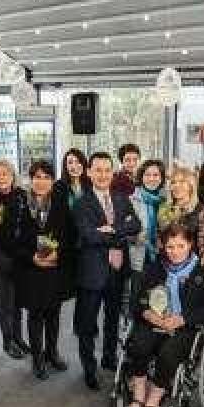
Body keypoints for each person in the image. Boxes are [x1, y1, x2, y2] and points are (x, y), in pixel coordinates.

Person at [121, 223, 204, 407]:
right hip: (155, 321)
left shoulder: (203, 271)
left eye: (180, 246)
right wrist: (148, 313)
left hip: (184, 327)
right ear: (163, 247)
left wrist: (182, 319)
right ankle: (139, 395)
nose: (175, 252)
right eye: (170, 247)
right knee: (138, 346)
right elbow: (138, 300)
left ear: (190, 245)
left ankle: (153, 400)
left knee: (168, 354)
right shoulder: (155, 267)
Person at [73, 151, 141, 390]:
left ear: (112, 172)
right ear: (89, 172)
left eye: (107, 170)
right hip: (92, 273)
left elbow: (136, 225)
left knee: (112, 319)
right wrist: (119, 231)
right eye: (98, 170)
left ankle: (109, 358)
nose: (103, 175)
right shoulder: (81, 203)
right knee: (87, 324)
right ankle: (89, 369)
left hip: (118, 270)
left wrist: (110, 230)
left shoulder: (121, 198)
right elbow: (88, 235)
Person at [11, 161, 74, 379]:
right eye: (37, 176)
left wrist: (59, 253)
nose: (41, 181)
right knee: (35, 315)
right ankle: (38, 358)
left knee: (54, 314)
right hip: (30, 270)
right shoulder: (19, 206)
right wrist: (32, 257)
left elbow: (70, 237)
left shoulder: (60, 204)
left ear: (52, 181)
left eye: (46, 177)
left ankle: (52, 353)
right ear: (30, 179)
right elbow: (13, 242)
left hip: (55, 269)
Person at [0, 159, 30, 359]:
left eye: (5, 174)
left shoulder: (21, 196)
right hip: (0, 260)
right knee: (6, 303)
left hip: (20, 258)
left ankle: (18, 338)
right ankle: (7, 341)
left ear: (12, 176)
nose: (2, 178)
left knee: (18, 301)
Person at [158, 166, 204, 271]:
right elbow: (160, 238)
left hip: (191, 267)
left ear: (191, 185)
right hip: (166, 265)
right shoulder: (164, 208)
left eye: (182, 182)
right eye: (173, 182)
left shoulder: (202, 210)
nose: (177, 186)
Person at [128, 159, 167, 270]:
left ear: (161, 178)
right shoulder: (131, 201)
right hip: (139, 256)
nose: (151, 179)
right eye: (147, 175)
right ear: (141, 177)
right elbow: (124, 233)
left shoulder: (166, 201)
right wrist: (138, 237)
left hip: (164, 256)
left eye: (156, 175)